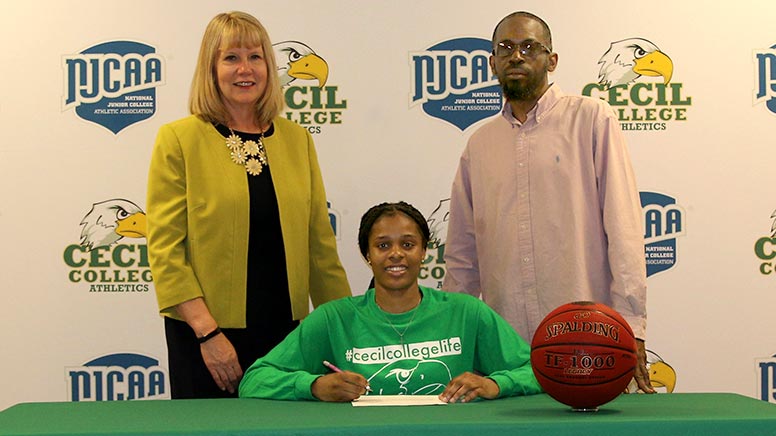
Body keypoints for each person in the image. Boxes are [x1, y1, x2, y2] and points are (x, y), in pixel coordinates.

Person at [443, 11, 654, 393]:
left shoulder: (591, 119)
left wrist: (631, 326)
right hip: (503, 347)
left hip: (589, 340)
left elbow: (623, 229)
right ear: (492, 62)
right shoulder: (480, 144)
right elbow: (462, 255)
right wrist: (455, 338)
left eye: (529, 47)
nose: (516, 56)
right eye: (504, 48)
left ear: (552, 60)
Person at [146, 11, 351, 399]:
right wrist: (208, 333)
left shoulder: (297, 140)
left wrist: (344, 332)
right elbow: (165, 250)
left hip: (288, 337)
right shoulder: (178, 139)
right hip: (206, 339)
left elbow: (320, 248)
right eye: (231, 57)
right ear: (211, 67)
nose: (246, 69)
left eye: (255, 57)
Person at [239, 202, 542, 402]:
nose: (396, 254)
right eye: (383, 245)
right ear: (367, 254)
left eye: (408, 244)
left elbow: (540, 371)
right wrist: (315, 387)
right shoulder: (335, 318)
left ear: (424, 251)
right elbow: (253, 381)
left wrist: (496, 385)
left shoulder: (466, 312)